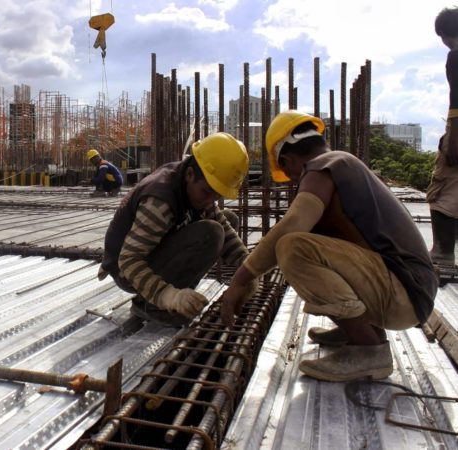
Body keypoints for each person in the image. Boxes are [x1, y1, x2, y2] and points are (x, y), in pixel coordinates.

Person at [218, 110, 438, 382]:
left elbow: (293, 225)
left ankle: (368, 349)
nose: (296, 184)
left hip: (404, 292)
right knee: (311, 243)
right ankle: (359, 330)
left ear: (286, 160)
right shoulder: (343, 165)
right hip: (408, 290)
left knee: (292, 247)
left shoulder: (325, 166)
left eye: (289, 175)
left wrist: (242, 278)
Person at [97, 132, 255, 326]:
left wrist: (249, 268)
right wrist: (169, 296)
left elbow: (222, 223)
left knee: (225, 221)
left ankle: (176, 292)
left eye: (217, 196)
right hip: (129, 271)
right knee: (211, 233)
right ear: (190, 175)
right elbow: (129, 260)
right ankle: (151, 305)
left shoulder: (188, 181)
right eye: (206, 192)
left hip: (146, 254)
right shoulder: (160, 202)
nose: (210, 201)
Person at [429, 7, 458, 266]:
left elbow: (456, 100)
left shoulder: (455, 56)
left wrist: (454, 140)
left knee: (442, 192)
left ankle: (442, 254)